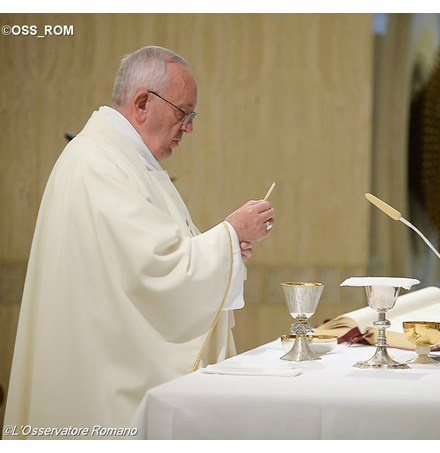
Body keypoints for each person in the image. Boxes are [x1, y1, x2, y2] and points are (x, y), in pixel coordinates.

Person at [3, 46, 275, 438]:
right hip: (98, 386)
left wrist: (226, 248)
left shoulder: (123, 160)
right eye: (185, 113)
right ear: (143, 102)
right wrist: (230, 235)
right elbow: (153, 269)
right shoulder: (98, 163)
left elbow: (161, 251)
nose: (190, 127)